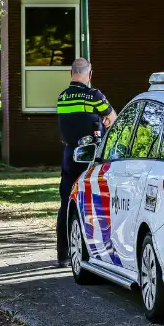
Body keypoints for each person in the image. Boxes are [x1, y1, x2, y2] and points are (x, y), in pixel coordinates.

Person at [55, 58, 116, 267]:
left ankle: (63, 254)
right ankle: (94, 252)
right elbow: (113, 119)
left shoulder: (62, 98)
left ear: (71, 74)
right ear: (90, 75)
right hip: (91, 157)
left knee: (66, 202)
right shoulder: (93, 95)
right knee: (92, 203)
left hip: (69, 155)